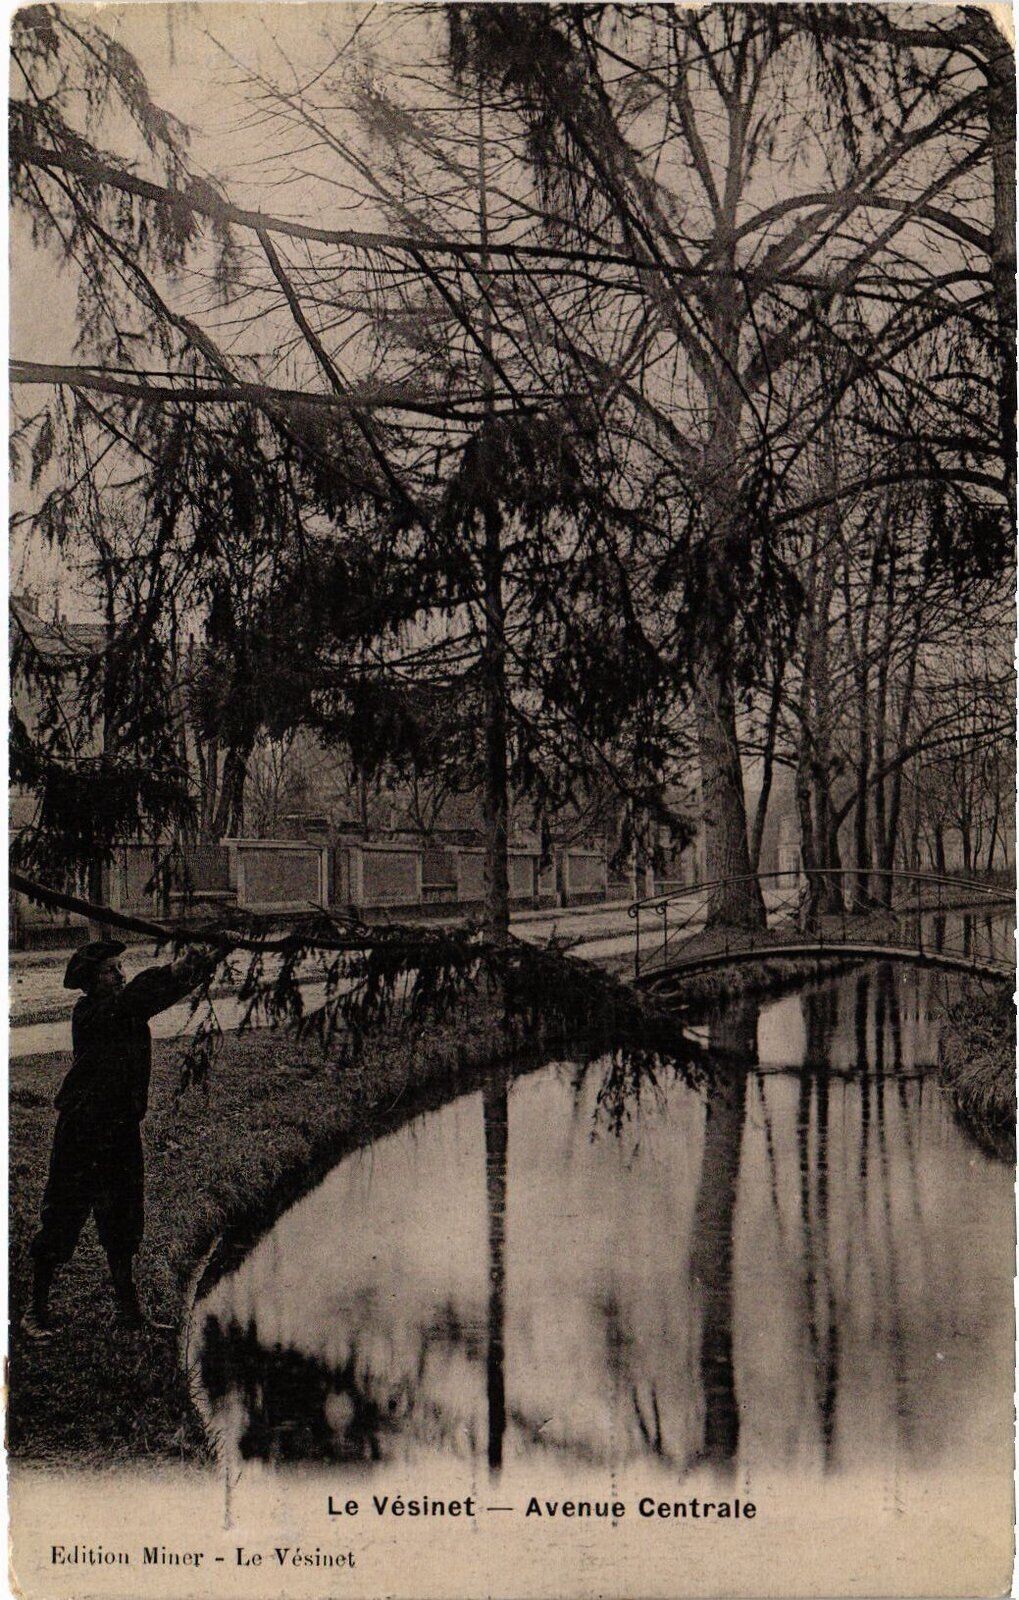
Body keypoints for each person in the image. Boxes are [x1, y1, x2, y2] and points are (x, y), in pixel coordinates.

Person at [24, 937, 219, 1340]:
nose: (120, 975)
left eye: (119, 968)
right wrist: (181, 967)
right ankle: (34, 1313)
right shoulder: (91, 1014)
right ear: (91, 981)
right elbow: (141, 996)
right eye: (110, 970)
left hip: (120, 1131)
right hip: (83, 1131)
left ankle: (129, 1313)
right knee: (62, 1219)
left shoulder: (125, 1009)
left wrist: (208, 959)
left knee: (124, 1221)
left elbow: (153, 997)